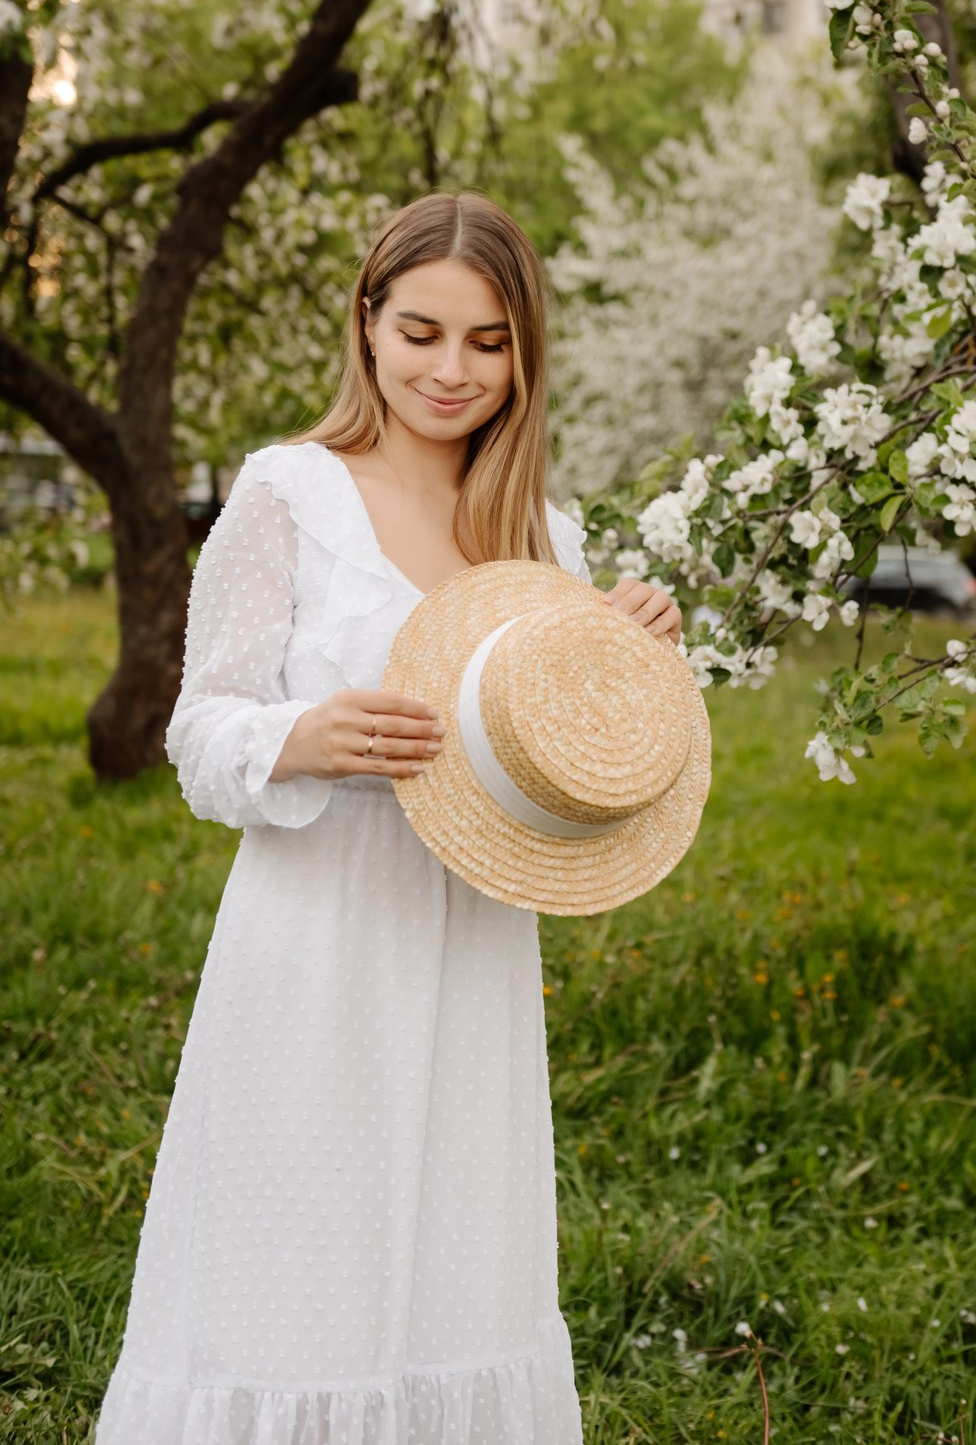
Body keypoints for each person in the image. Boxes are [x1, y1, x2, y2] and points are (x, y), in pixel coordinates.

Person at [94, 190, 682, 1445]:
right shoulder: (290, 492)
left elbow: (560, 797)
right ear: (366, 323)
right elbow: (198, 730)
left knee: (452, 1276)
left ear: (524, 351)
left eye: (486, 341)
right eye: (420, 331)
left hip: (466, 956)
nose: (449, 370)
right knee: (292, 1268)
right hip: (316, 946)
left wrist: (616, 670)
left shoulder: (542, 540)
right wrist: (297, 738)